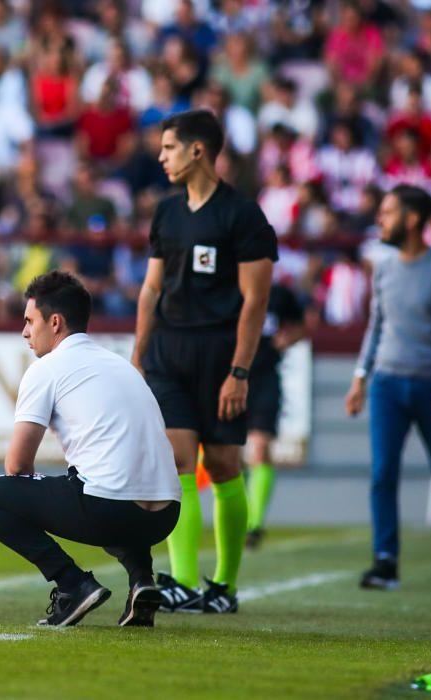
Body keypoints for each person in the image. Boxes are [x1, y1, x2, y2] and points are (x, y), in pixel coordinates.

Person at [0, 271, 181, 628]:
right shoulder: (120, 364)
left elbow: (17, 464)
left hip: (110, 509)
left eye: (29, 321)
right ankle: (142, 580)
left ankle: (72, 584)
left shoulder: (46, 369)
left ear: (55, 322)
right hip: (165, 514)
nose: (24, 332)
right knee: (105, 481)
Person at [132, 110, 278, 613]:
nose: (161, 156)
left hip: (220, 354)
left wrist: (240, 371)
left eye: (169, 147)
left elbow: (255, 301)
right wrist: (137, 355)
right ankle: (181, 579)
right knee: (175, 464)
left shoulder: (243, 216)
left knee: (221, 465)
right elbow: (152, 288)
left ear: (198, 151)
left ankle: (224, 586)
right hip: (168, 352)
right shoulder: (166, 213)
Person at [345, 184, 431, 591]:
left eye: (387, 212)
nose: (380, 219)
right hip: (386, 383)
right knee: (382, 473)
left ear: (412, 219)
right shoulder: (383, 267)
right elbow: (376, 325)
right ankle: (385, 562)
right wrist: (360, 378)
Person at [244, 282, 307, 548]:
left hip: (264, 379)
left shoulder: (279, 293)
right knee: (229, 457)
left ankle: (253, 524)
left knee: (260, 449)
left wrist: (286, 340)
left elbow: (300, 326)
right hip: (226, 378)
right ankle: (241, 517)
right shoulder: (227, 287)